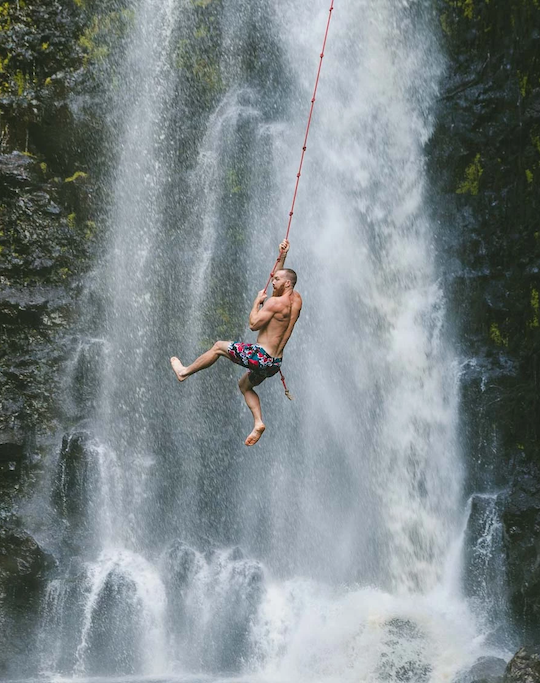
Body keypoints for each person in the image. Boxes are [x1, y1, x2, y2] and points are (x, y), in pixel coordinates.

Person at [171, 239, 302, 446]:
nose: (272, 280)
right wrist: (283, 256)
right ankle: (258, 422)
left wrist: (256, 303)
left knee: (218, 346)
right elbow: (281, 283)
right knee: (244, 386)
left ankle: (184, 372)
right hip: (274, 364)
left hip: (260, 356)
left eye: (276, 279)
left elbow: (253, 324)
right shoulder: (296, 299)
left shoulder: (275, 303)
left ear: (286, 283)